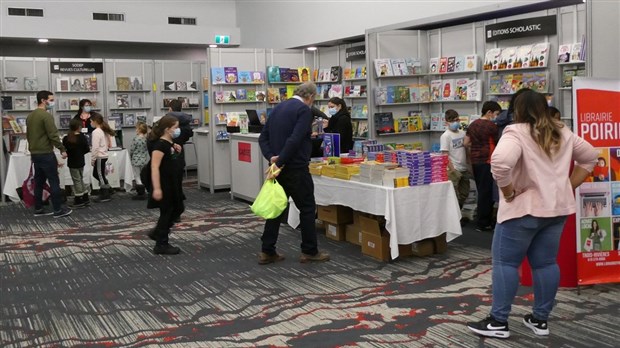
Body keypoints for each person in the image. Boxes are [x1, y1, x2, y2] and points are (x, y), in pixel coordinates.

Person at [467, 90, 597, 339]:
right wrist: (567, 187)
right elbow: (590, 156)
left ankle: (498, 321)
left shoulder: (516, 132)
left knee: (506, 263)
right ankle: (540, 319)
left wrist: (506, 192)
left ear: (516, 110)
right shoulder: (561, 130)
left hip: (522, 211)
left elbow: (500, 162)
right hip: (556, 210)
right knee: (546, 264)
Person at [258, 82, 330, 264]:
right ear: (311, 97)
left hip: (277, 168)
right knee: (307, 208)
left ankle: (267, 250)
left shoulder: (278, 107)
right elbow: (295, 139)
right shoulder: (303, 110)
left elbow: (263, 137)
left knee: (275, 208)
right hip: (295, 167)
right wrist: (281, 161)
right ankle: (309, 251)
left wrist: (272, 158)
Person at [25, 90, 73, 218]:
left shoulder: (30, 116)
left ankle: (38, 208)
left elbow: (28, 135)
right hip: (46, 153)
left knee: (38, 182)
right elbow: (53, 135)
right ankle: (58, 210)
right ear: (43, 100)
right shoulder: (46, 116)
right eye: (51, 100)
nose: (52, 102)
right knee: (54, 181)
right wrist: (62, 149)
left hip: (35, 154)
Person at [146, 115, 185, 255]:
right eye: (175, 128)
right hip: (164, 184)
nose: (178, 130)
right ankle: (161, 243)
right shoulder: (160, 145)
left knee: (178, 207)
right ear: (167, 129)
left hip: (173, 182)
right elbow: (154, 167)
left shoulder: (169, 143)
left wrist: (176, 149)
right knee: (167, 211)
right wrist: (156, 188)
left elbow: (171, 159)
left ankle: (158, 232)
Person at [464, 101, 502, 231]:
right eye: (496, 114)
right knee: (487, 192)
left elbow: (465, 142)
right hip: (487, 160)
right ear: (489, 112)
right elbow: (498, 143)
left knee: (482, 190)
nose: (496, 116)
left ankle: (482, 220)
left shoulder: (472, 124)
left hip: (475, 161)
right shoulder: (492, 126)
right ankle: (483, 222)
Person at [440, 109, 471, 217]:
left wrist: (468, 162)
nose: (455, 122)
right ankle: (454, 219)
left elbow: (466, 149)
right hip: (453, 169)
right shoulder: (445, 136)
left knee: (464, 193)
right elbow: (445, 155)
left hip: (463, 167)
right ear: (447, 122)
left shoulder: (462, 133)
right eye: (452, 121)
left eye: (457, 120)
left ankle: (458, 215)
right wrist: (452, 170)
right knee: (453, 196)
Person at [165, 99, 192, 219]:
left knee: (169, 183)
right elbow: (188, 134)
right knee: (177, 182)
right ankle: (177, 210)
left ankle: (172, 211)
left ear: (170, 109)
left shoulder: (168, 121)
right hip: (179, 152)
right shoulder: (185, 122)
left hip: (169, 153)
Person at [62, 118, 91, 208]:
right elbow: (87, 149)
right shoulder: (82, 137)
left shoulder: (67, 138)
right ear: (79, 127)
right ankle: (85, 196)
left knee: (76, 180)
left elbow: (66, 149)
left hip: (72, 162)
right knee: (81, 179)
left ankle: (79, 199)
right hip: (81, 161)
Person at [90, 113, 115, 202]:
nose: (90, 123)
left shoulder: (96, 132)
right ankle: (109, 188)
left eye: (91, 121)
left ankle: (105, 194)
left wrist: (93, 159)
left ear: (95, 121)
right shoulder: (103, 130)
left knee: (99, 175)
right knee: (96, 174)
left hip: (100, 156)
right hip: (103, 156)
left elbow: (95, 147)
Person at [129, 122, 149, 200]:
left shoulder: (135, 139)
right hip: (143, 159)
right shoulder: (146, 139)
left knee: (137, 176)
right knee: (142, 175)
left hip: (136, 160)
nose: (136, 130)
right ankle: (145, 189)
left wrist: (131, 156)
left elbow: (132, 150)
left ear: (139, 129)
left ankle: (140, 192)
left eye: (136, 128)